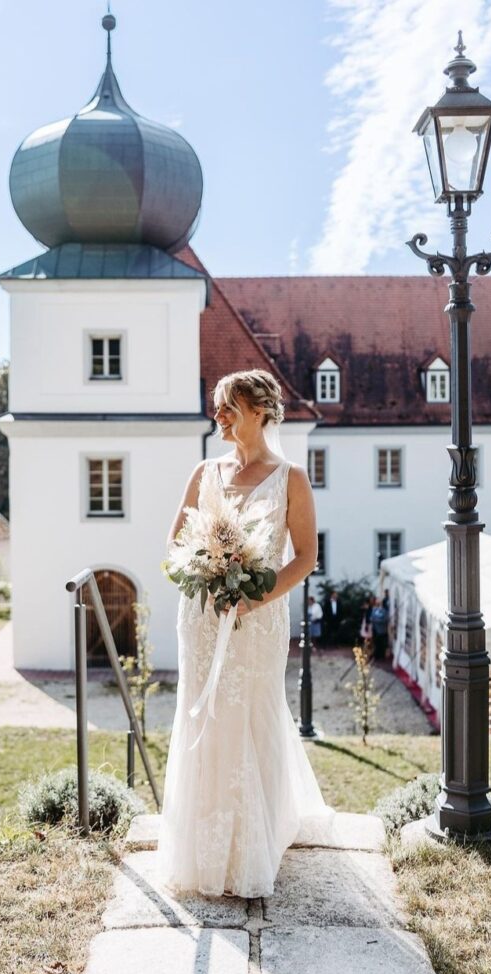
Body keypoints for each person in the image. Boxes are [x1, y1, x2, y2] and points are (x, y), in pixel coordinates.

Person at [157, 368, 334, 899]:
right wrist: (205, 568)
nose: (219, 417)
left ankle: (256, 841)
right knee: (204, 713)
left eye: (228, 406)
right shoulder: (204, 472)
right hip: (203, 618)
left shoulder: (291, 478)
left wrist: (258, 595)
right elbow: (174, 546)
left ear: (260, 411)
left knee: (250, 710)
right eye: (217, 406)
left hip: (260, 618)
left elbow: (305, 558)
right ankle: (201, 847)